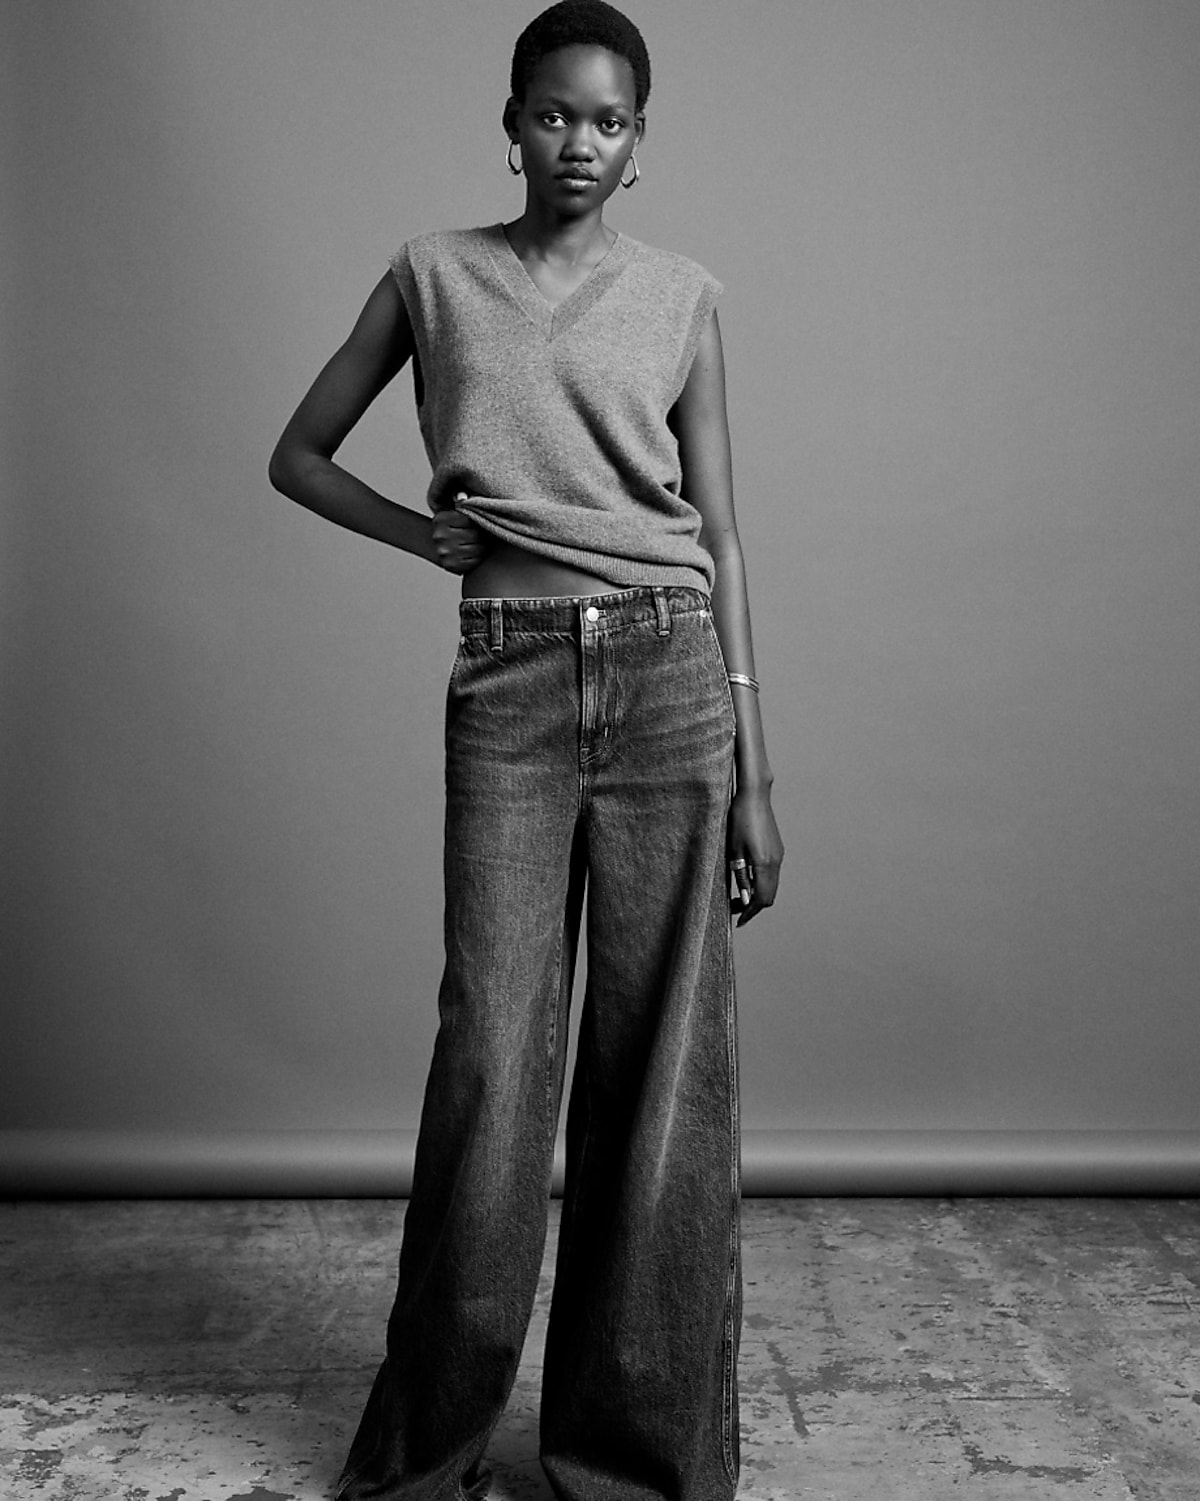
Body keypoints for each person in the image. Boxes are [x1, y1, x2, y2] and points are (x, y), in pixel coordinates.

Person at [269, 3, 783, 1497]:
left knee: (661, 1078)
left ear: (641, 147)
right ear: (511, 121)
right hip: (510, 685)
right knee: (495, 1059)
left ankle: (631, 1458)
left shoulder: (683, 296)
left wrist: (758, 763)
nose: (579, 143)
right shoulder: (433, 275)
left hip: (673, 676)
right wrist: (421, 531)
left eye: (608, 122)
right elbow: (298, 451)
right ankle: (427, 1451)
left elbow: (726, 535)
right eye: (553, 115)